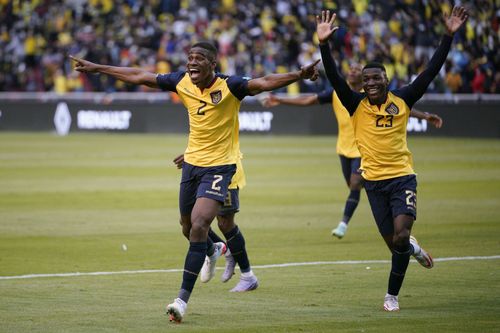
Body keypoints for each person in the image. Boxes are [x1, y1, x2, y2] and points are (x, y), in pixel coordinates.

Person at [70, 42, 320, 323]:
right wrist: (96, 68)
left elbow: (264, 82)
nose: (192, 62)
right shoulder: (181, 81)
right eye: (189, 58)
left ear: (213, 64)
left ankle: (181, 301)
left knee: (201, 224)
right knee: (187, 228)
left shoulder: (230, 86)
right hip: (191, 166)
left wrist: (299, 75)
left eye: (199, 58)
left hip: (220, 168)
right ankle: (214, 249)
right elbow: (139, 76)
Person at [316, 6, 468, 311]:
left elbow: (430, 71)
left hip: (401, 179)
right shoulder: (355, 104)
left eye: (376, 79)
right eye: (366, 80)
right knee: (395, 245)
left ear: (387, 80)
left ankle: (391, 296)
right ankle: (412, 249)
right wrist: (323, 44)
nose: (370, 83)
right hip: (373, 183)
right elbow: (333, 76)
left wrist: (448, 36)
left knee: (400, 235)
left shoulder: (403, 98)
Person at [263, 66, 443, 239]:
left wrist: (425, 115)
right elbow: (309, 100)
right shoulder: (338, 94)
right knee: (352, 186)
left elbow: (399, 109)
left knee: (356, 183)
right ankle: (385, 200)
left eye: (356, 70)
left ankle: (344, 223)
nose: (352, 72)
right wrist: (280, 100)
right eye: (350, 70)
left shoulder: (371, 98)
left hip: (364, 150)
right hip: (343, 149)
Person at [173, 151, 257, 292]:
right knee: (191, 220)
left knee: (225, 223)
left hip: (225, 168)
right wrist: (193, 154)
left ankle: (248, 276)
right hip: (203, 168)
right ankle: (223, 249)